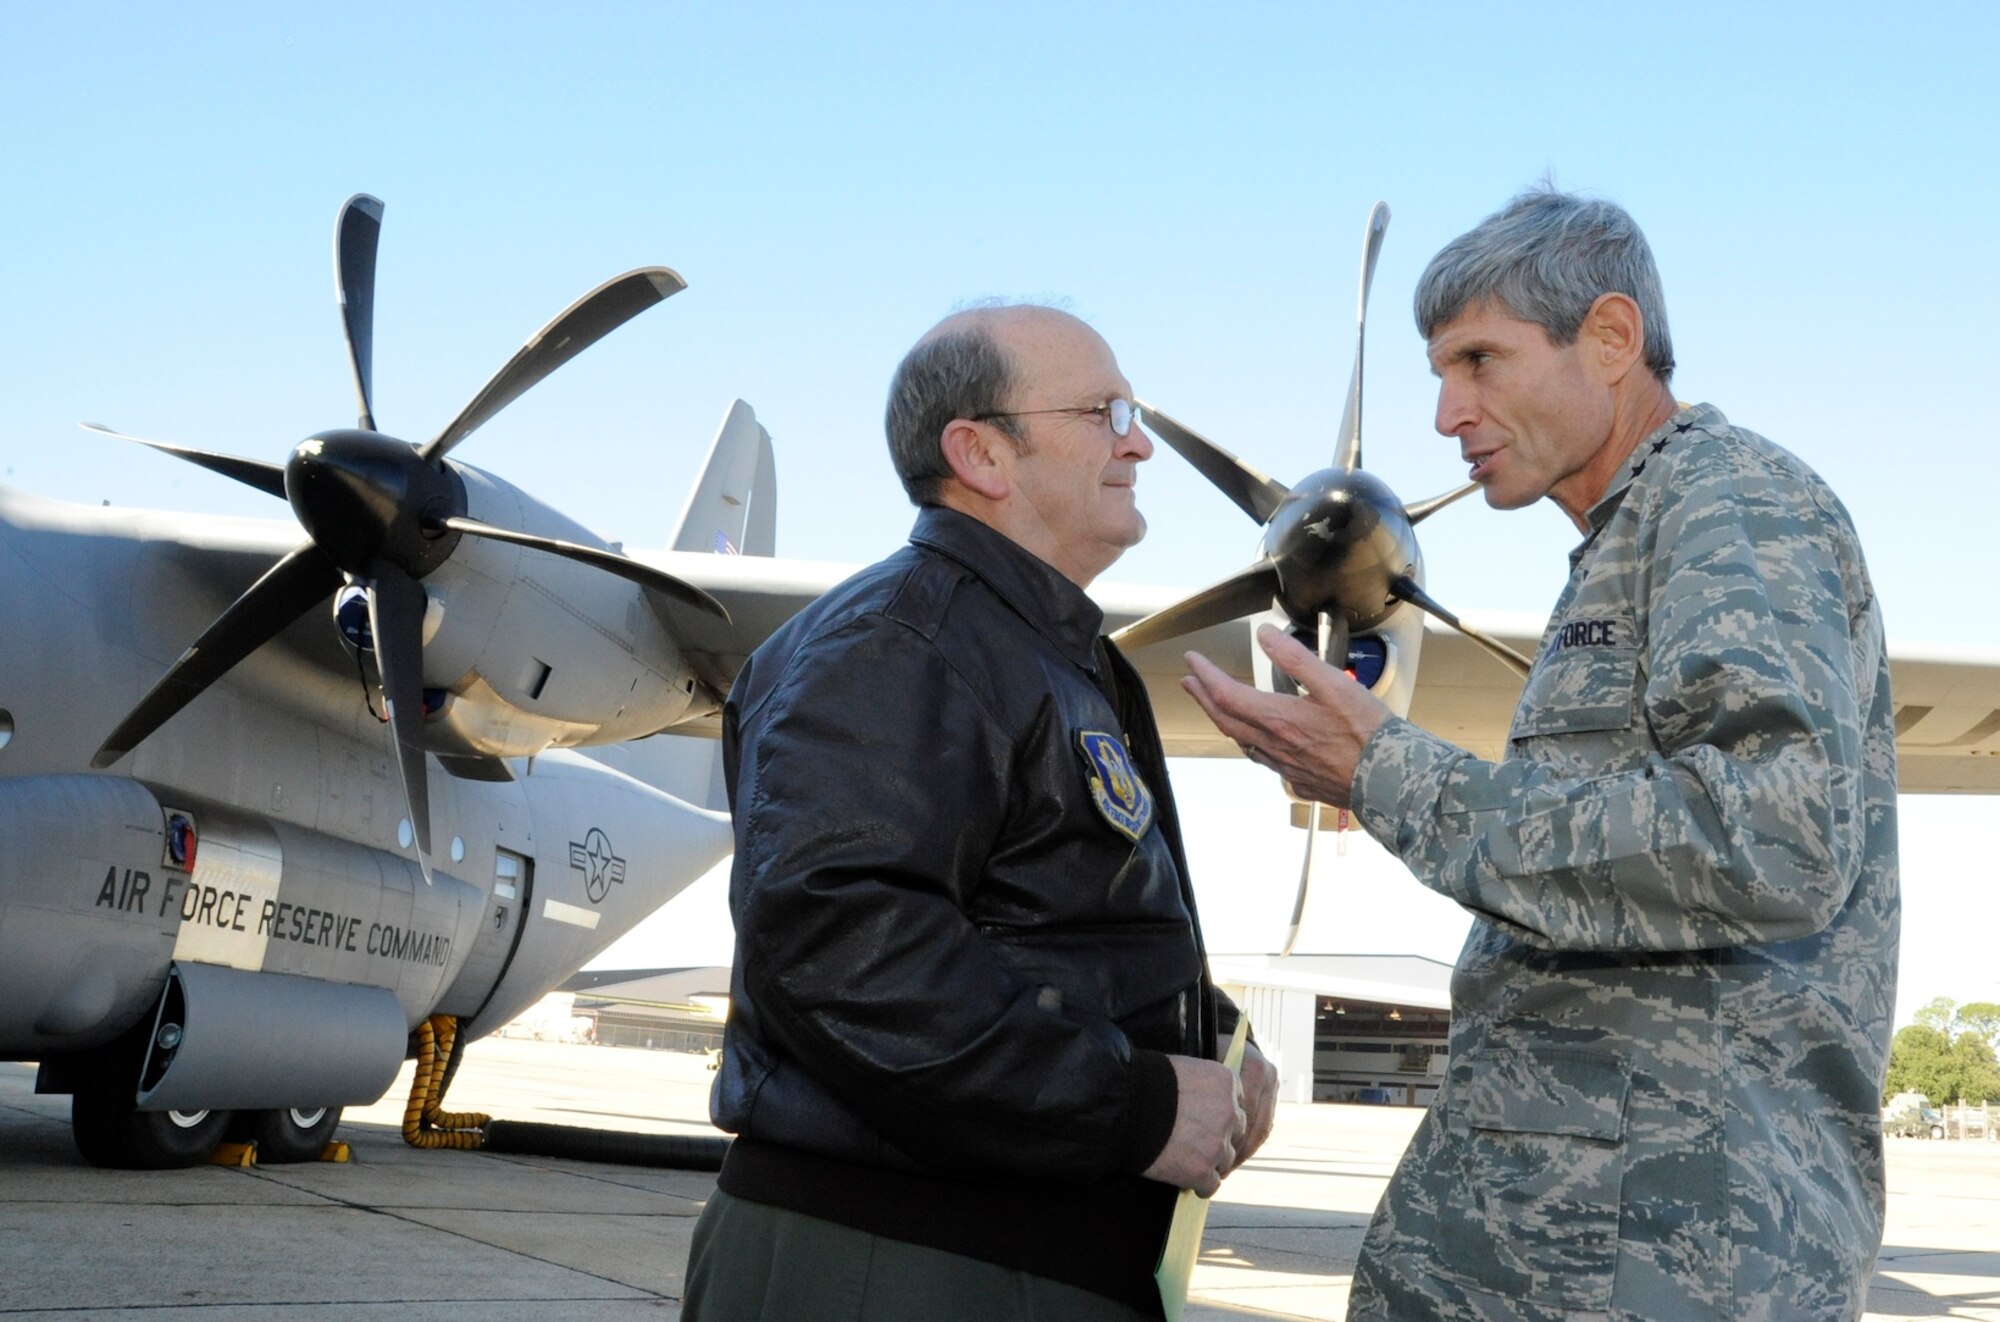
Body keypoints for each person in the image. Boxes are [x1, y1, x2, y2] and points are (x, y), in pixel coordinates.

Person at [1183, 190, 1898, 1321]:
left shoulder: (1729, 500)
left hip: (1661, 1247)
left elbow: (1774, 835)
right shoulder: (1628, 534)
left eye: (1477, 360)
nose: (1443, 413)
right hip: (1567, 1230)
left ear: (1609, 339)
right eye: (1433, 369)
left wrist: (1383, 770)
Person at [684, 303, 1279, 1321]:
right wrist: (1133, 1103)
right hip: (907, 1260)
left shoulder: (1037, 650)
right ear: (980, 452)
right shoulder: (897, 643)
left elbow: (1045, 917)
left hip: (998, 1249)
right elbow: (841, 948)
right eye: (1104, 410)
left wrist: (1209, 1045)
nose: (1136, 440)